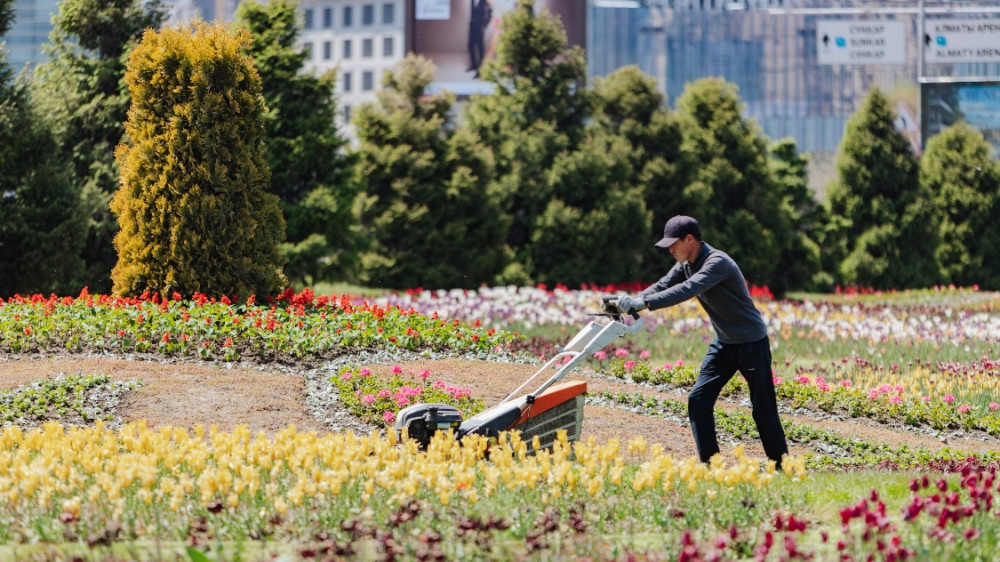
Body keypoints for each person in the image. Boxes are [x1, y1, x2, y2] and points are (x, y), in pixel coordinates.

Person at [615, 215, 789, 468]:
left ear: (690, 239)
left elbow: (688, 289)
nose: (671, 250)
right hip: (724, 343)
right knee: (698, 400)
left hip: (751, 343)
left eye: (674, 244)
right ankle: (711, 465)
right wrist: (635, 299)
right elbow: (664, 284)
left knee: (763, 409)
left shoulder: (717, 262)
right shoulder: (685, 263)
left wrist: (644, 303)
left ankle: (783, 467)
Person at [467, 0, 492, 78]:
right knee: (470, 45)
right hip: (472, 26)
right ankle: (474, 65)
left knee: (480, 48)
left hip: (480, 27)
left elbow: (489, 12)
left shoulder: (485, 1)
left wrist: (484, 25)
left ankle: (480, 70)